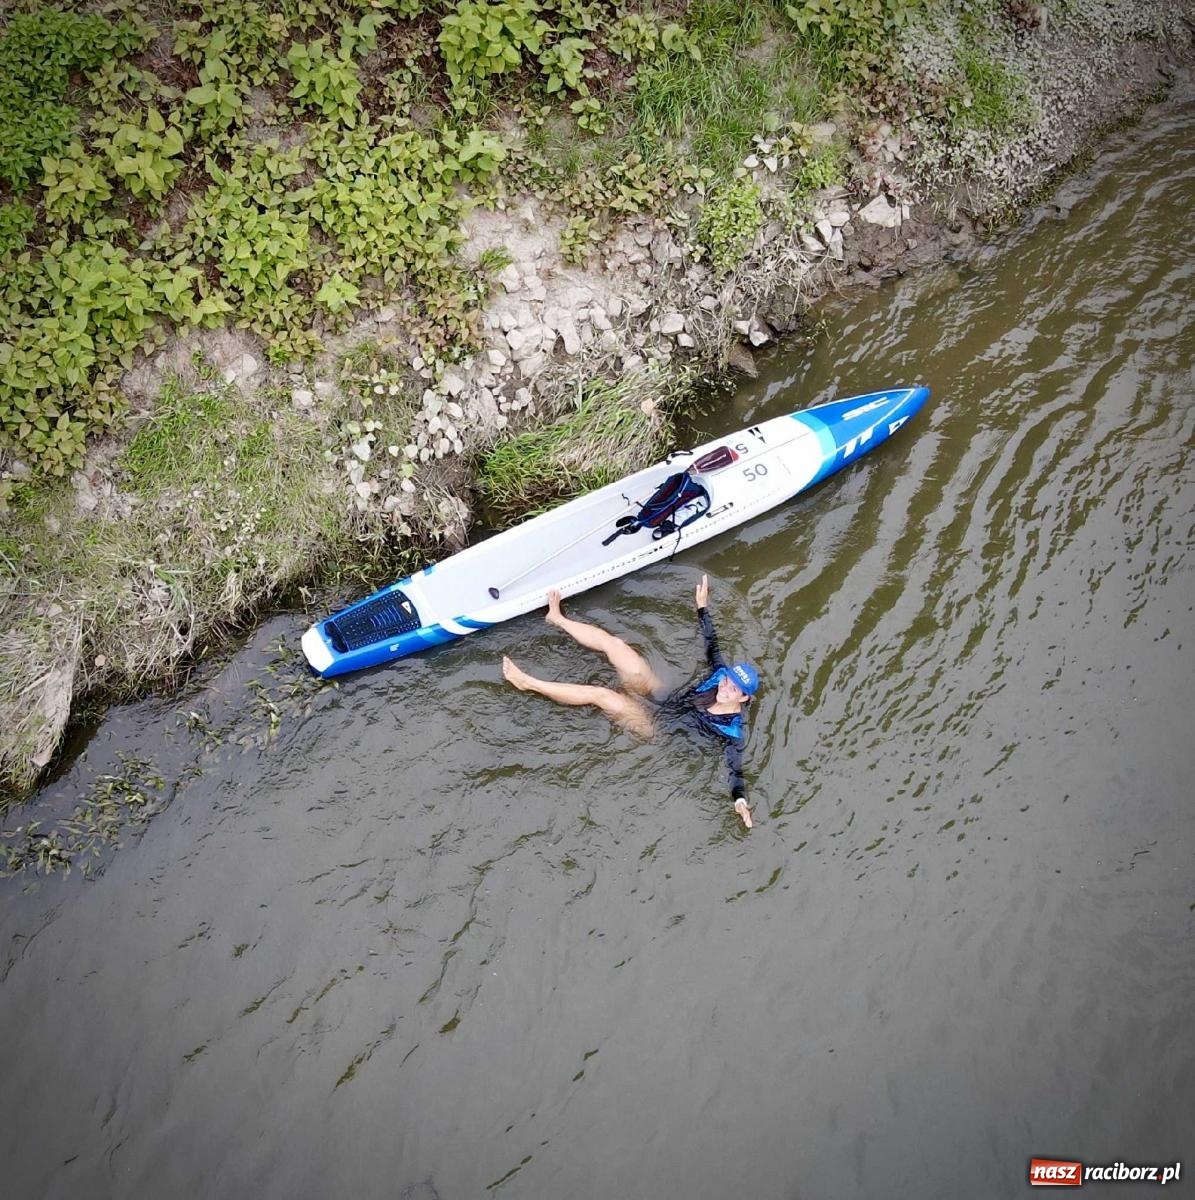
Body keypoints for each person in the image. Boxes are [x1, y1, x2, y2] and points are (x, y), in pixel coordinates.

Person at [501, 575, 758, 829]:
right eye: (727, 681)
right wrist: (702, 608)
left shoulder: (731, 731)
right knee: (617, 646)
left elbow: (735, 772)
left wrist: (739, 801)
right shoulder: (720, 674)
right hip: (668, 699)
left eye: (733, 688)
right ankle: (557, 619)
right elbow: (711, 644)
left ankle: (528, 683)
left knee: (601, 695)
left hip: (661, 729)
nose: (725, 687)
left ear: (743, 697)